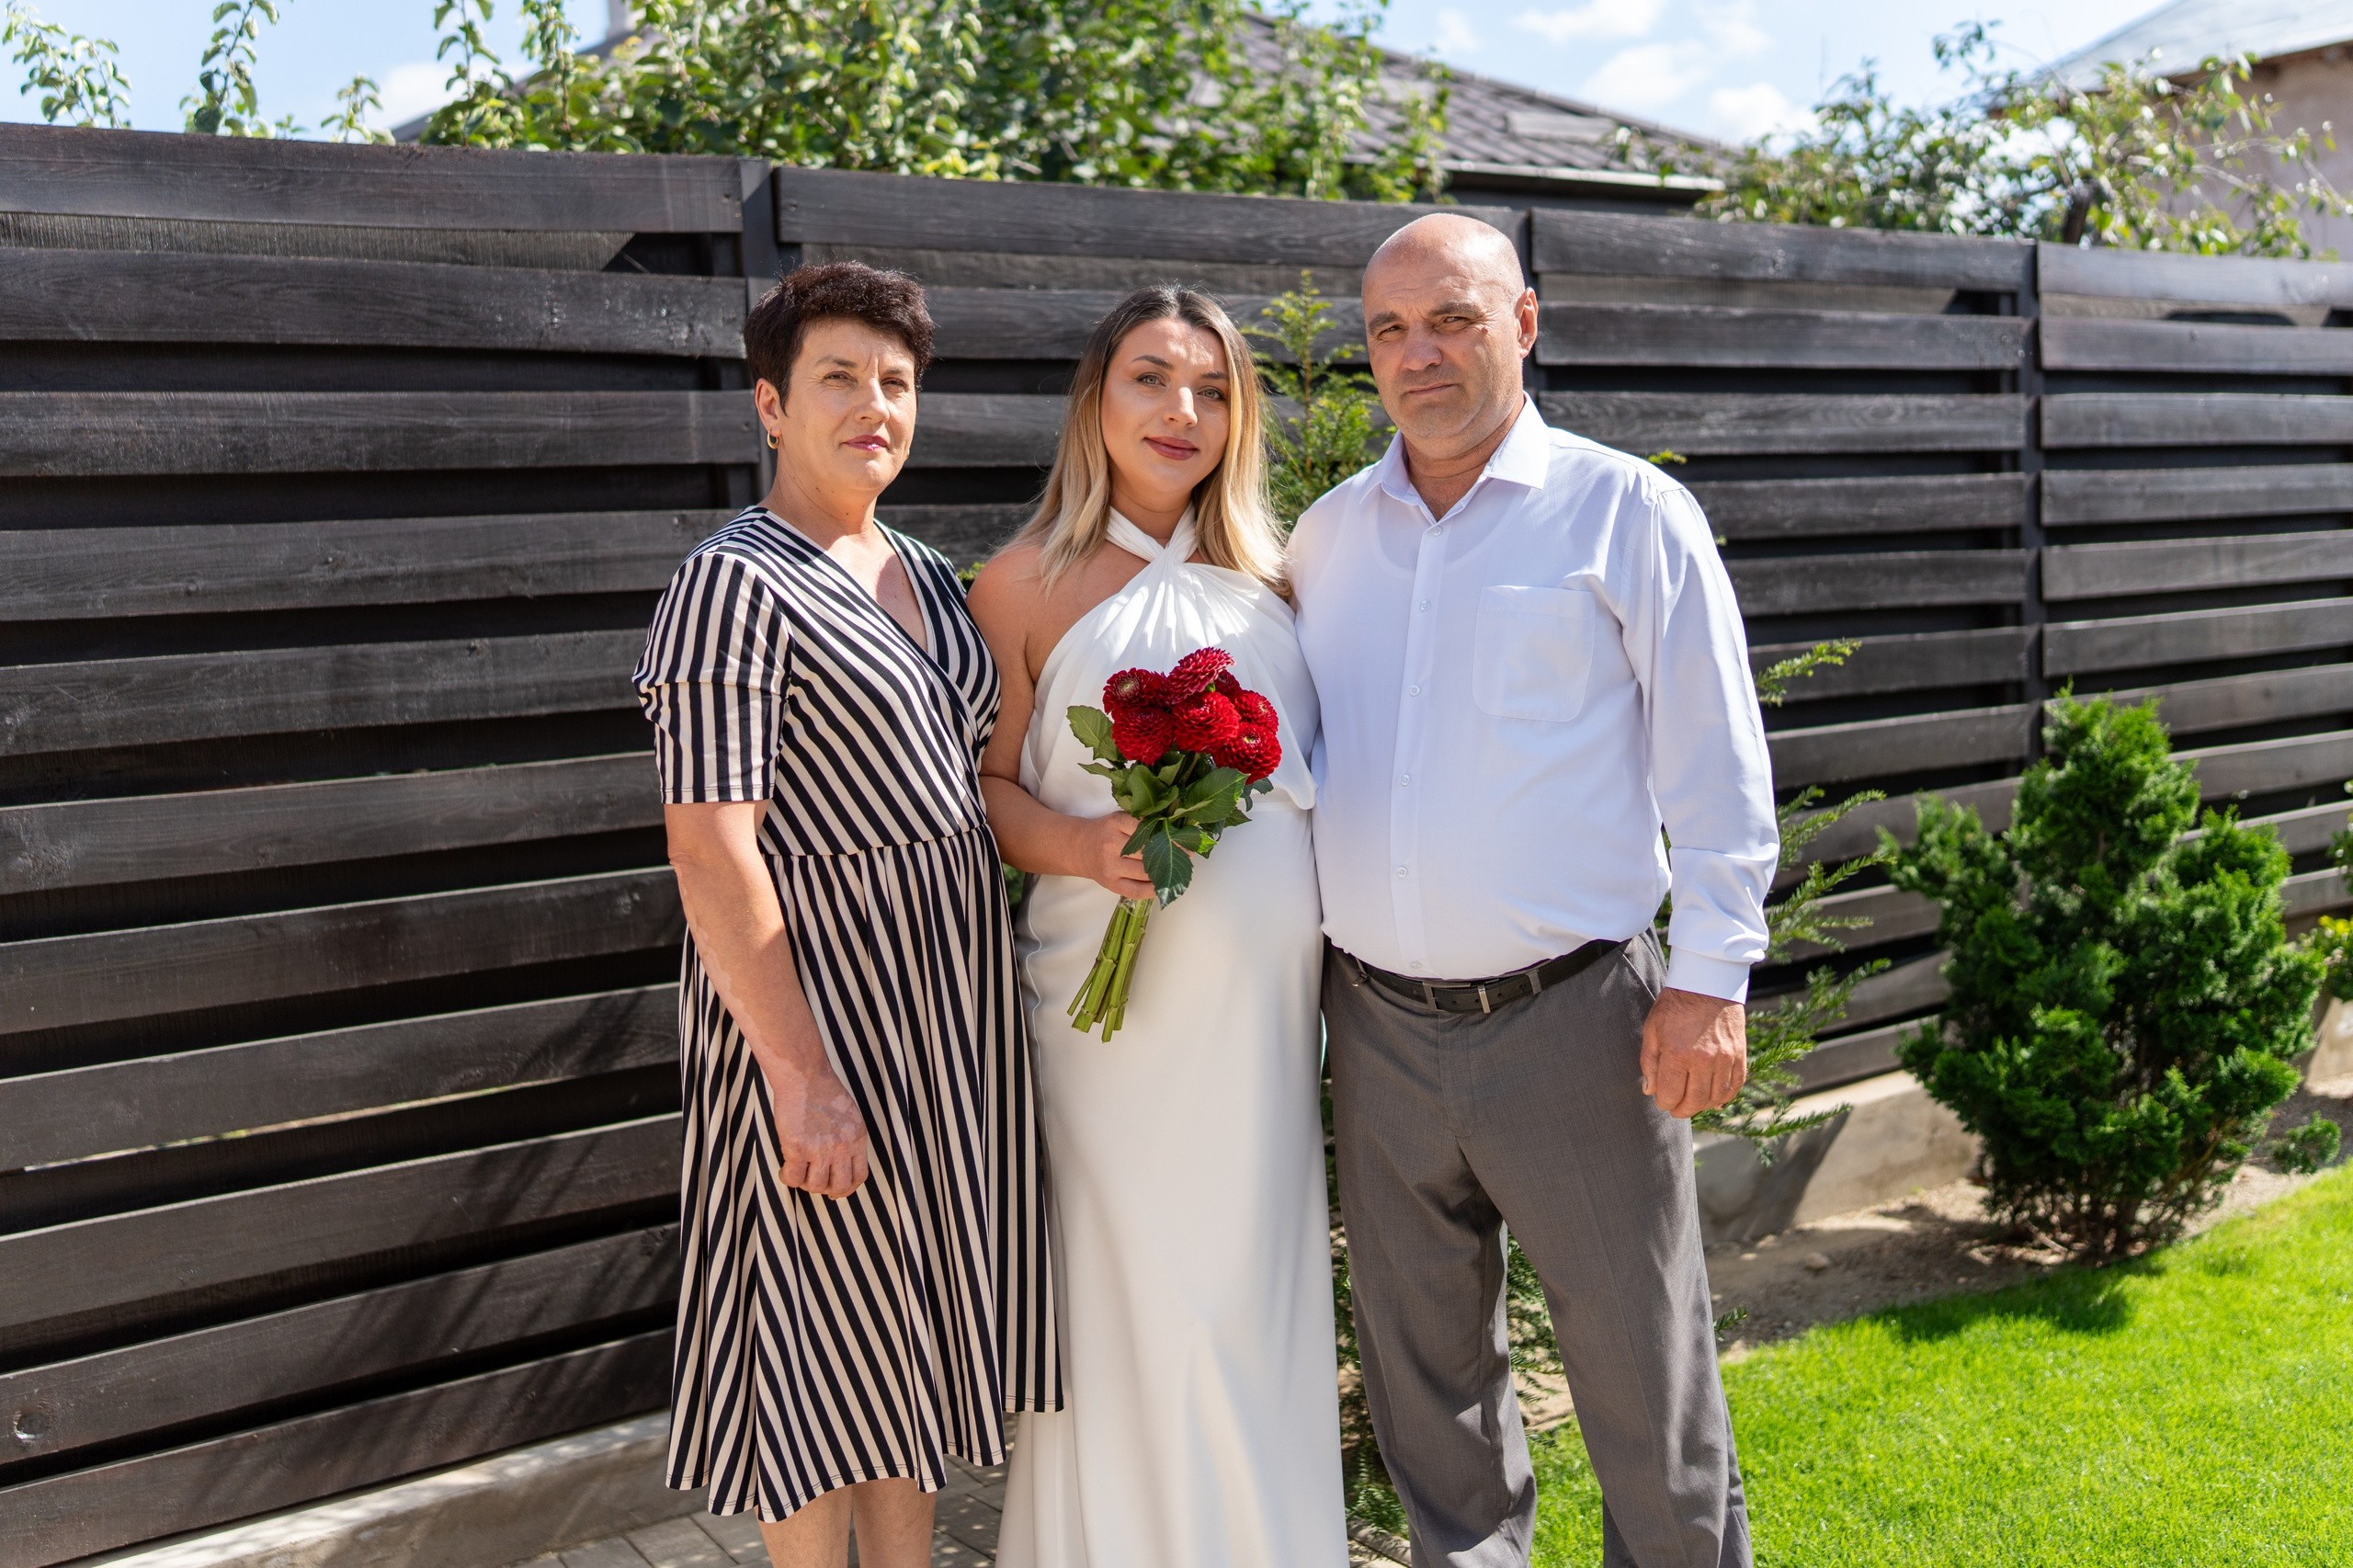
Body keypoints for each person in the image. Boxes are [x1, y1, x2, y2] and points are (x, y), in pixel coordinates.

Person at [1290, 214, 1777, 1568]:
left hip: (1579, 1022)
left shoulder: (1626, 510)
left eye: (1450, 317)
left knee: (1644, 1384)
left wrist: (1710, 977)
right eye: (1388, 328)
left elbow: (1719, 762)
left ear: (1526, 320)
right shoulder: (1325, 542)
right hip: (1375, 1029)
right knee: (1428, 1397)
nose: (1416, 353)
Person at [634, 261, 1059, 1568]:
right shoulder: (732, 580)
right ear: (769, 403)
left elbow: (982, 774)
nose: (874, 403)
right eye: (838, 378)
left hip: (946, 1027)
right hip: (817, 1025)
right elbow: (712, 847)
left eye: (895, 381)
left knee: (904, 1356)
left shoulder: (928, 576)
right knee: (813, 1365)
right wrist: (799, 1074)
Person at [967, 285, 1347, 1568]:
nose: (1181, 410)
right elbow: (988, 790)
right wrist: (1084, 844)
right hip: (1107, 1023)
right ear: (1096, 400)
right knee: (1132, 1297)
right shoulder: (1021, 581)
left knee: (1249, 1294)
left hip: (1259, 1030)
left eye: (1214, 388)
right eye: (1151, 378)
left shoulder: (1283, 582)